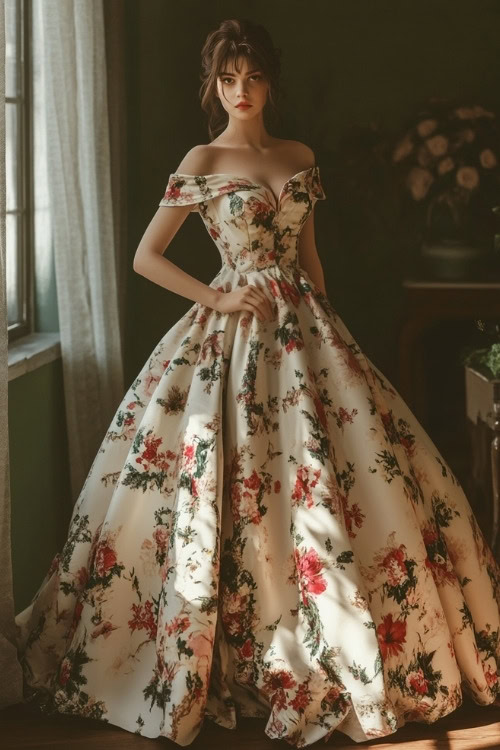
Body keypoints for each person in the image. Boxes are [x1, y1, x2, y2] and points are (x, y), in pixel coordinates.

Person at [14, 16, 500, 748]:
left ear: (271, 80)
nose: (240, 90)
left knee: (347, 477)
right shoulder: (203, 158)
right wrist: (216, 297)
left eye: (253, 76)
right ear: (213, 85)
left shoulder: (299, 155)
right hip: (228, 337)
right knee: (225, 479)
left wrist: (330, 337)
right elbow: (148, 257)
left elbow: (311, 258)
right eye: (227, 79)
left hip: (309, 336)